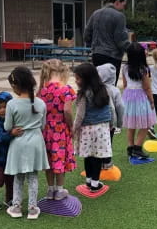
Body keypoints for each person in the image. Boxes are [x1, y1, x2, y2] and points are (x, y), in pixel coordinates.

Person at [5, 66, 49, 220]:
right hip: (36, 142)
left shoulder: (12, 104)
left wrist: (13, 131)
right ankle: (32, 208)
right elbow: (43, 125)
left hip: (18, 142)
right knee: (33, 176)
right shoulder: (41, 103)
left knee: (19, 176)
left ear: (16, 86)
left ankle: (16, 207)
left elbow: (7, 127)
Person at [37, 59, 76, 201]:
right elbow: (67, 110)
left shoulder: (42, 90)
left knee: (49, 159)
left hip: (46, 130)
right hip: (60, 129)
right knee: (60, 158)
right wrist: (71, 126)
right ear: (64, 72)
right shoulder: (65, 89)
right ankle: (59, 190)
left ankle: (50, 189)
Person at [73, 63, 116, 193]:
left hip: (87, 129)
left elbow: (80, 114)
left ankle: (89, 180)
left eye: (78, 78)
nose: (76, 81)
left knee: (88, 155)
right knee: (98, 156)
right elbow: (111, 109)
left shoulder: (83, 94)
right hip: (102, 129)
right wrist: (112, 124)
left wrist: (74, 128)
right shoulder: (104, 90)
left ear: (86, 78)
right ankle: (95, 184)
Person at [84, 0, 131, 85]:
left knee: (97, 85)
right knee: (110, 87)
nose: (124, 8)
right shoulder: (119, 16)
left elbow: (87, 34)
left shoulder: (95, 13)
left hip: (96, 54)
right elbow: (120, 40)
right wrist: (132, 49)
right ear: (118, 2)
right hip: (112, 56)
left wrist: (91, 46)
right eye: (123, 5)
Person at [122, 43, 157, 159]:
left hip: (128, 96)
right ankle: (137, 148)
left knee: (131, 124)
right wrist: (152, 101)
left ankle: (130, 147)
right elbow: (147, 88)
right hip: (141, 97)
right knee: (146, 124)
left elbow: (125, 84)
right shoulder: (143, 69)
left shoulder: (125, 68)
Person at [97, 63, 124, 169]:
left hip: (95, 121)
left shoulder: (93, 89)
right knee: (108, 141)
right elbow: (120, 107)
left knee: (97, 140)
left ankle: (97, 162)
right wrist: (120, 123)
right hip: (109, 122)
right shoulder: (114, 90)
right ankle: (107, 162)